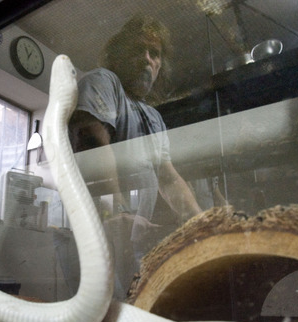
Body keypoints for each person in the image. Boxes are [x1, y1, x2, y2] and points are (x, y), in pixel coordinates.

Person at [68, 15, 202, 299]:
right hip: (101, 233)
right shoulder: (104, 81)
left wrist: (199, 223)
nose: (146, 59)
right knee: (105, 311)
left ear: (160, 65)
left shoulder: (153, 116)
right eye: (136, 50)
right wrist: (116, 211)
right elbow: (93, 140)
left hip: (134, 236)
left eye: (154, 54)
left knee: (137, 305)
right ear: (118, 57)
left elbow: (169, 178)